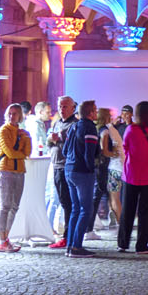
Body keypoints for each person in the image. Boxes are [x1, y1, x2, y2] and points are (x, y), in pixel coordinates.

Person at [118, 100, 148, 253]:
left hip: (131, 174)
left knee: (127, 209)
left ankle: (123, 243)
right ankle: (141, 245)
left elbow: (125, 147)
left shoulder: (131, 129)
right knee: (145, 212)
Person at [64, 99, 102, 256]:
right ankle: (76, 246)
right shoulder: (90, 128)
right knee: (86, 209)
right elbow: (89, 152)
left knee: (75, 209)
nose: (97, 112)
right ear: (91, 112)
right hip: (82, 172)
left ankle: (70, 245)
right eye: (95, 109)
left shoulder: (74, 126)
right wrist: (91, 168)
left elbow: (65, 150)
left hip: (69, 169)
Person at [0, 102, 31, 252]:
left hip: (19, 171)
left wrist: (26, 138)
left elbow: (28, 152)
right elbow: (9, 152)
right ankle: (2, 240)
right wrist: (21, 154)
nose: (12, 115)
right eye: (10, 113)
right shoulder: (4, 130)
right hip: (6, 169)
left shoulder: (22, 132)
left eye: (15, 113)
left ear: (20, 116)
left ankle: (6, 237)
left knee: (14, 206)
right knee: (5, 206)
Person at [45, 94, 77, 248]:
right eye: (60, 106)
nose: (62, 109)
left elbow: (73, 147)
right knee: (63, 201)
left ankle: (68, 236)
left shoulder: (74, 125)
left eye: (65, 106)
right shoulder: (56, 123)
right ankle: (68, 235)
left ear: (73, 108)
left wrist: (59, 140)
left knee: (68, 203)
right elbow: (50, 144)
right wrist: (51, 142)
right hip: (56, 165)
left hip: (67, 167)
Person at [99, 107, 125, 227]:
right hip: (121, 166)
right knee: (114, 197)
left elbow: (105, 151)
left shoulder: (105, 130)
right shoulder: (112, 129)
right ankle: (117, 221)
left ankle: (122, 225)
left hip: (114, 167)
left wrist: (109, 153)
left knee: (114, 198)